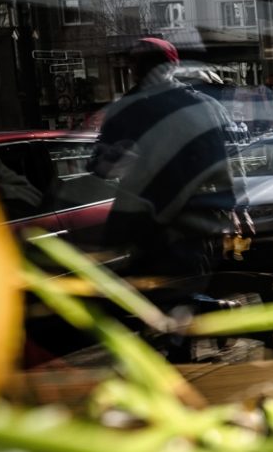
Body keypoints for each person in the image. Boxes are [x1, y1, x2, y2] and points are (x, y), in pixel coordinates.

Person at [89, 37, 238, 290]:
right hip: (190, 221)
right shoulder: (203, 106)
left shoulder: (122, 111)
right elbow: (226, 162)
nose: (137, 71)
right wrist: (234, 208)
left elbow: (100, 170)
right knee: (192, 294)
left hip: (145, 225)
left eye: (141, 64)